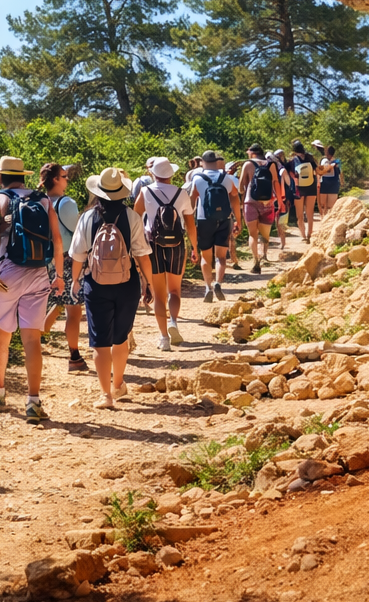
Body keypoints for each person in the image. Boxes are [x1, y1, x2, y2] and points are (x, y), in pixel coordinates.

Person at [0, 156, 66, 425]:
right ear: (23, 176)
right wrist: (59, 276)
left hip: (6, 273)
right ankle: (33, 402)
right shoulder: (43, 200)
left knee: (2, 337)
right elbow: (57, 239)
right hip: (38, 273)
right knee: (32, 340)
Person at [69, 168, 153, 409]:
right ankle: (118, 385)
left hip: (96, 284)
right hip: (127, 284)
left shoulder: (87, 217)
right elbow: (142, 254)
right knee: (120, 338)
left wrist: (75, 280)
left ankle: (105, 395)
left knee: (100, 341)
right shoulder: (131, 217)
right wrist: (148, 283)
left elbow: (77, 254)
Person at [133, 157, 197, 351]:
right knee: (175, 291)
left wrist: (136, 245)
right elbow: (191, 225)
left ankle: (163, 338)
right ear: (171, 174)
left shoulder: (145, 192)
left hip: (153, 246)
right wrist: (195, 248)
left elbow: (135, 219)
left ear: (153, 174)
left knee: (158, 295)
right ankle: (173, 322)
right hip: (177, 245)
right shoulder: (182, 193)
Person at [41, 163, 88, 373]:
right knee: (74, 310)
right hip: (68, 259)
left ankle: (38, 334)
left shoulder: (39, 201)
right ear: (56, 179)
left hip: (45, 261)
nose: (67, 179)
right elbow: (78, 232)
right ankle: (74, 356)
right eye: (64, 176)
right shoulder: (66, 203)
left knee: (58, 303)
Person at [188, 150, 243, 303]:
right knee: (221, 256)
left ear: (202, 162)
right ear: (217, 162)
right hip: (224, 219)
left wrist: (188, 222)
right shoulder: (226, 178)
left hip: (204, 220)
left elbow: (192, 202)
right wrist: (238, 220)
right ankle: (218, 283)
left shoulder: (197, 178)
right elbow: (235, 198)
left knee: (206, 256)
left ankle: (208, 287)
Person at [239, 144, 279, 273]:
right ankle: (263, 256)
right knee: (265, 235)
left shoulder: (247, 164)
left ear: (252, 153)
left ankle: (255, 261)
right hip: (268, 203)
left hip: (250, 202)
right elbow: (275, 183)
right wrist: (280, 200)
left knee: (253, 234)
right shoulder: (271, 165)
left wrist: (246, 189)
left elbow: (240, 187)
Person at [290, 139, 319, 243]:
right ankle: (309, 234)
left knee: (300, 215)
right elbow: (317, 171)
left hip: (299, 188)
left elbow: (290, 173)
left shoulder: (293, 160)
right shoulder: (310, 158)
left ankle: (303, 235)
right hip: (311, 186)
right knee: (310, 213)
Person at [268, 150, 293, 252]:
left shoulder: (267, 168)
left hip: (271, 197)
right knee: (280, 222)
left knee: (276, 222)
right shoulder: (282, 169)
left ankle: (281, 243)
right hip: (282, 198)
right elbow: (289, 183)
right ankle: (282, 243)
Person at [318, 145, 342, 216]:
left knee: (330, 206)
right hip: (327, 183)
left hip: (331, 183)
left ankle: (326, 218)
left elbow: (339, 172)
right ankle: (324, 217)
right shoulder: (324, 161)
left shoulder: (336, 162)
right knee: (324, 205)